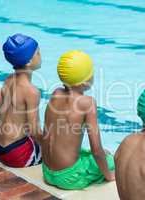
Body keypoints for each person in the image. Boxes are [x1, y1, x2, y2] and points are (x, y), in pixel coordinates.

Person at [41, 50, 115, 190]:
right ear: (84, 82)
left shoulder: (56, 94)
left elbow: (49, 135)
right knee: (111, 161)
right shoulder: (87, 103)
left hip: (47, 172)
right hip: (68, 178)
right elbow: (96, 149)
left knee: (87, 153)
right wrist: (109, 175)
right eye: (91, 72)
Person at [0, 34, 42, 167]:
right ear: (28, 62)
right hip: (17, 154)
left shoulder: (8, 80)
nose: (40, 55)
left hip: (0, 148)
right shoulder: (32, 92)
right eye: (38, 52)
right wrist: (49, 147)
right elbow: (35, 130)